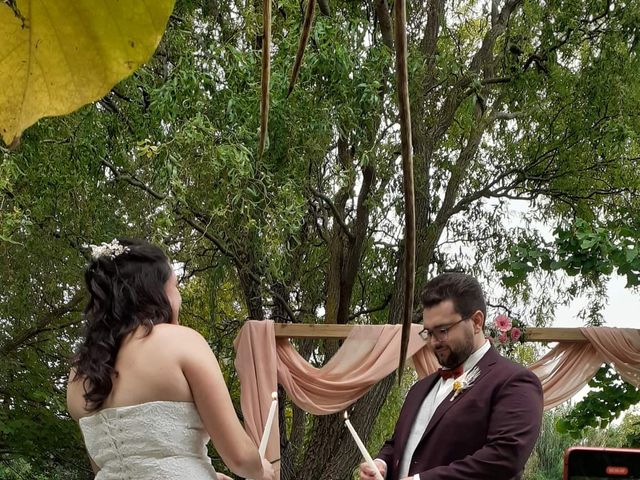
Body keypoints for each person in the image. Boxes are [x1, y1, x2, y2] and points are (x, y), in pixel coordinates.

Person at [66, 239, 275, 480]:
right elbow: (239, 457)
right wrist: (259, 468)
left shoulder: (79, 371)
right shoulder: (181, 341)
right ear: (154, 291)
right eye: (175, 287)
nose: (179, 298)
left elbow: (112, 467)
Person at [359, 272, 543, 480]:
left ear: (476, 321)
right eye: (428, 332)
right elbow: (399, 443)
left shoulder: (514, 381)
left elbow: (503, 458)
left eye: (443, 330)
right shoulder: (420, 388)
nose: (434, 342)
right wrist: (381, 463)